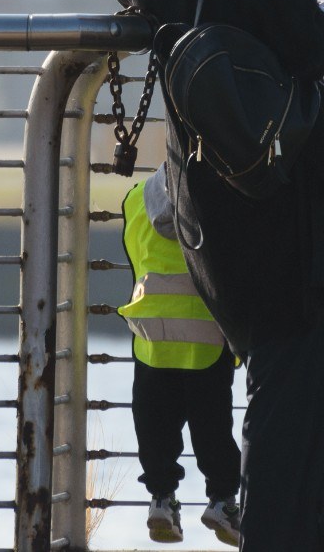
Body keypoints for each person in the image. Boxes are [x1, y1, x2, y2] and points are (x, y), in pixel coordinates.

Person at [110, 0, 324, 552]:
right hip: (289, 186)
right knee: (293, 391)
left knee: (270, 372)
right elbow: (319, 50)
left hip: (205, 195)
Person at [118, 162, 243, 546]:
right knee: (213, 425)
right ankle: (222, 500)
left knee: (154, 421)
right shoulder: (226, 199)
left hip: (153, 333)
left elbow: (135, 259)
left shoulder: (135, 198)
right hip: (207, 334)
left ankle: (161, 498)